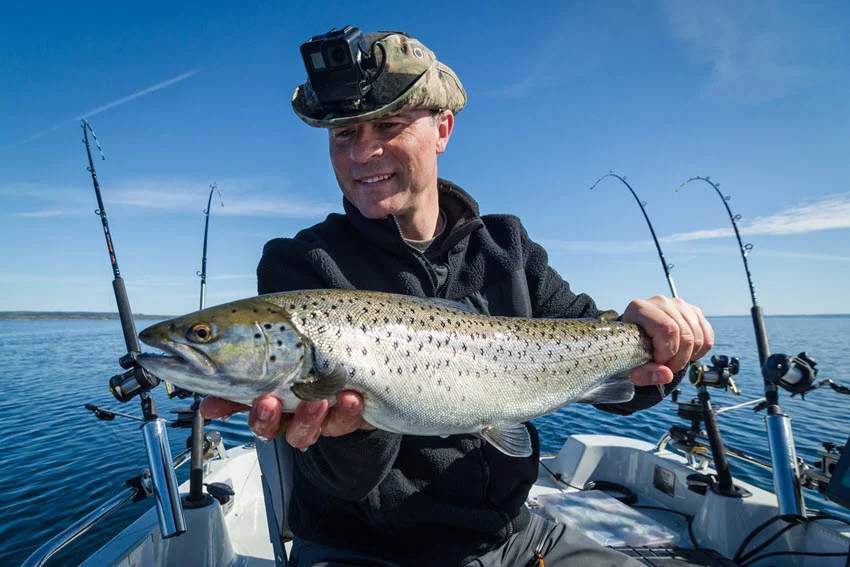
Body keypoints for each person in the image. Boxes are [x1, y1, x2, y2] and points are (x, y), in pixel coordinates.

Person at [202, 29, 713, 567]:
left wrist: (664, 343)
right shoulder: (302, 264)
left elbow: (625, 385)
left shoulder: (509, 248)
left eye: (389, 125)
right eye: (343, 134)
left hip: (514, 536)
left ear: (442, 128)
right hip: (361, 550)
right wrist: (355, 430)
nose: (363, 152)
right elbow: (341, 479)